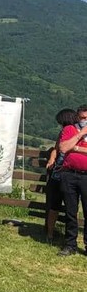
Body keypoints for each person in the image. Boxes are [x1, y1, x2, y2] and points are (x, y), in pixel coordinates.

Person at [57, 105, 87, 256]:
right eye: (82, 118)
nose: (84, 121)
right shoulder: (70, 129)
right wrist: (80, 134)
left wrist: (75, 148)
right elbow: (63, 147)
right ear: (77, 117)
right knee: (70, 211)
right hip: (69, 174)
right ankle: (70, 244)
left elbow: (70, 148)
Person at [44, 109, 76, 244]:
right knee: (68, 207)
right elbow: (56, 148)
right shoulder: (69, 132)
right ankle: (57, 235)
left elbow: (60, 148)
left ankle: (50, 234)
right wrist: (52, 156)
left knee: (55, 205)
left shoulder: (71, 132)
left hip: (61, 173)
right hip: (61, 173)